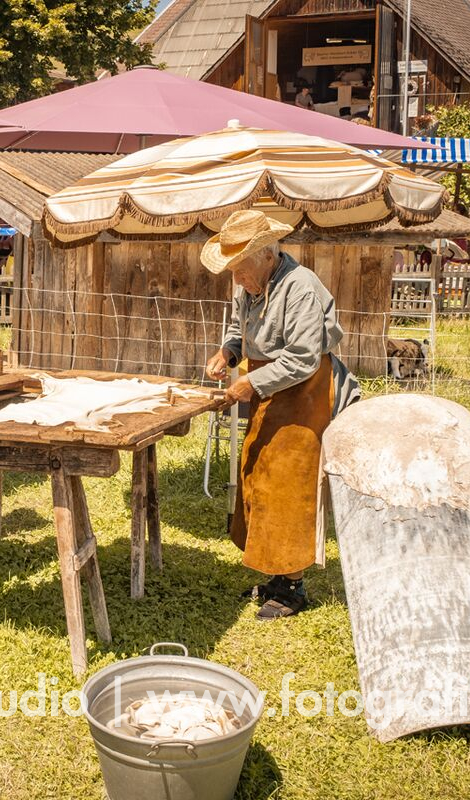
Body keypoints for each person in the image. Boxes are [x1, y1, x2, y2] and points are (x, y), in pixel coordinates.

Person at [203, 210, 360, 620]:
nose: (237, 278)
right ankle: (276, 573)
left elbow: (303, 358)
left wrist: (251, 383)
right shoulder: (249, 287)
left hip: (305, 393)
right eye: (233, 271)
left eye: (241, 269)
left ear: (267, 256)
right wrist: (228, 352)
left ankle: (293, 587)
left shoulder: (300, 287)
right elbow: (238, 330)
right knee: (259, 476)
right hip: (269, 389)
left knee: (290, 486)